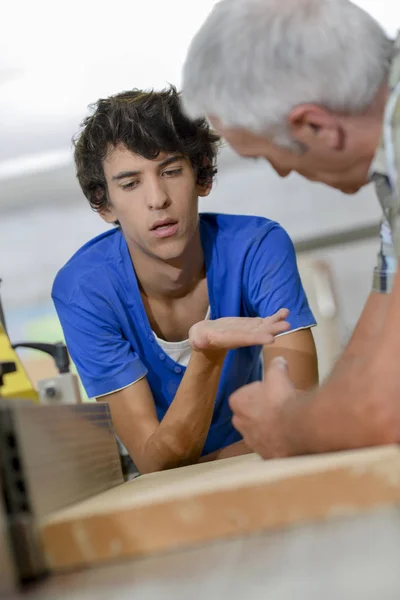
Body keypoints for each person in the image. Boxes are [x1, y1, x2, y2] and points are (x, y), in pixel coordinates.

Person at [51, 86, 318, 473]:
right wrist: (206, 355)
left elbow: (297, 421)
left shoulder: (257, 247)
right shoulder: (84, 291)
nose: (157, 198)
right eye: (130, 183)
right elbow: (153, 458)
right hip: (217, 471)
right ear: (104, 204)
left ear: (202, 177)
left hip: (263, 467)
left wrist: (204, 465)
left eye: (171, 171)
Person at [181, 0, 400, 458]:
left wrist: (286, 426)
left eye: (266, 156)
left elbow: (385, 407)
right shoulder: (389, 163)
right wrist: (319, 414)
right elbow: (376, 342)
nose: (281, 174)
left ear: (315, 125)